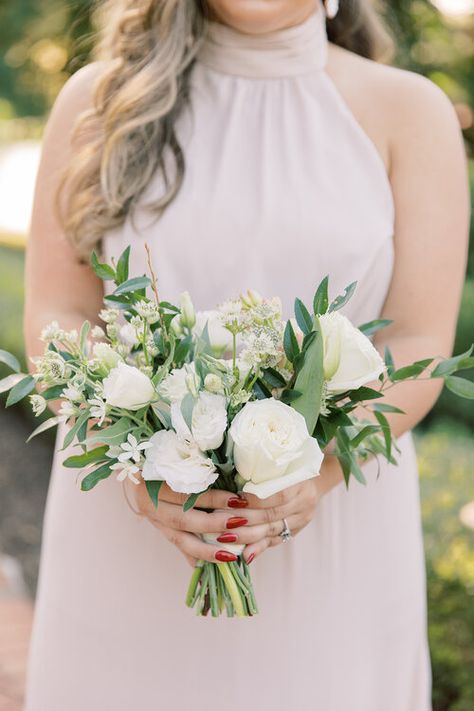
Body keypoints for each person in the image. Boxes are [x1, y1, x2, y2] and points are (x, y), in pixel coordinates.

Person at [23, 1, 469, 709]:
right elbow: (60, 313)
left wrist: (308, 482)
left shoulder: (409, 112)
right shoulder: (97, 102)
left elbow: (417, 339)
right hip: (128, 531)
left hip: (333, 530)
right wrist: (143, 475)